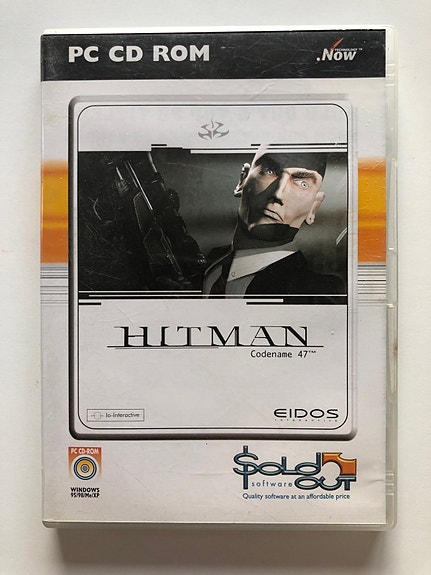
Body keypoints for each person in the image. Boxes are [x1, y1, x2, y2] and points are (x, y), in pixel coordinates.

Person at [204, 146, 345, 299]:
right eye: (269, 171)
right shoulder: (210, 264)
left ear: (314, 208)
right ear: (242, 180)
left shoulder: (317, 293)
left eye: (302, 183)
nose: (278, 194)